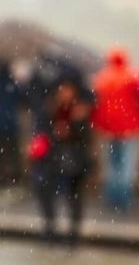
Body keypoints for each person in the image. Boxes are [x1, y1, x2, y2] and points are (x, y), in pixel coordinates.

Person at [30, 79, 93, 246]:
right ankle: (50, 229)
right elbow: (40, 132)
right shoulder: (49, 109)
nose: (65, 94)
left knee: (74, 196)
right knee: (47, 194)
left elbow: (86, 138)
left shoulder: (79, 111)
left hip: (74, 159)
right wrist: (55, 133)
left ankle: (73, 233)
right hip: (52, 159)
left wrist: (74, 126)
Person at [91, 47, 139, 212]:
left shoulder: (101, 79)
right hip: (129, 129)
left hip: (108, 129)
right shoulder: (131, 78)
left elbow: (96, 104)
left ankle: (111, 197)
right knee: (127, 165)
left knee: (111, 165)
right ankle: (124, 199)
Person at [0, 59, 22, 184]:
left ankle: (3, 176)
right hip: (11, 124)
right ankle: (14, 176)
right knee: (12, 152)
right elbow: (21, 99)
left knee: (1, 152)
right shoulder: (12, 84)